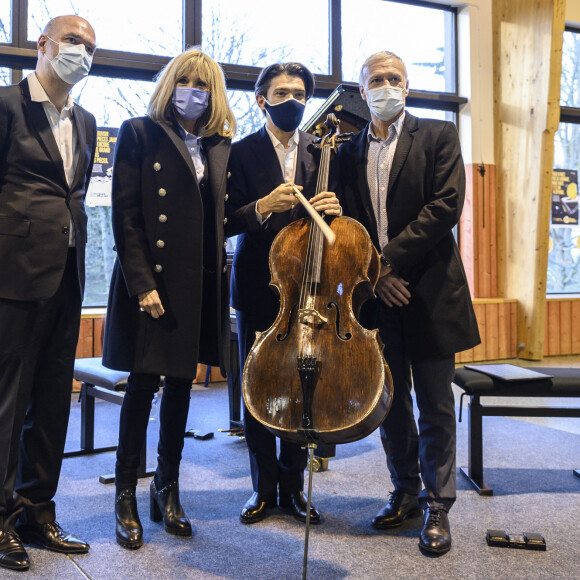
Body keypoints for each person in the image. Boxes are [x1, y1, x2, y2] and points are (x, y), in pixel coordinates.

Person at [337, 51, 481, 555]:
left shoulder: (439, 135)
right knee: (390, 402)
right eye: (376, 79)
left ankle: (438, 506)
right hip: (377, 299)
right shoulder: (346, 151)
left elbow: (444, 206)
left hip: (431, 293)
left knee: (436, 404)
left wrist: (387, 264)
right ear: (361, 91)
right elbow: (345, 229)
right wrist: (373, 277)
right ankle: (404, 490)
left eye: (394, 78)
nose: (386, 85)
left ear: (408, 87)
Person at [101, 48, 236, 549]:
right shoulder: (138, 132)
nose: (193, 92)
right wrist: (142, 284)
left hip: (198, 283)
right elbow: (126, 215)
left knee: (182, 388)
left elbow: (223, 219)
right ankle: (125, 497)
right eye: (185, 81)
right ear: (169, 84)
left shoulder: (221, 145)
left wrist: (264, 208)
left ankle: (167, 488)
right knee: (142, 388)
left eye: (203, 85)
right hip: (152, 283)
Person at [0, 15, 97, 572]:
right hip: (12, 279)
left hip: (67, 275)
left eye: (89, 46)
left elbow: (72, 193)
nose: (81, 53)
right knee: (8, 404)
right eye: (73, 42)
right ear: (43, 45)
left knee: (54, 399)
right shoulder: (8, 106)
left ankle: (38, 510)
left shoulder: (83, 119)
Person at [225, 62, 341, 525]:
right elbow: (224, 218)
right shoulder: (239, 153)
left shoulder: (324, 150)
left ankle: (293, 488)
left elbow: (340, 223)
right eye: (281, 92)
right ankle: (262, 488)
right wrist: (261, 206)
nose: (292, 99)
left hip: (308, 289)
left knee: (300, 389)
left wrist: (334, 208)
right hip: (257, 285)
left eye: (299, 92)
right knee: (258, 388)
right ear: (261, 99)